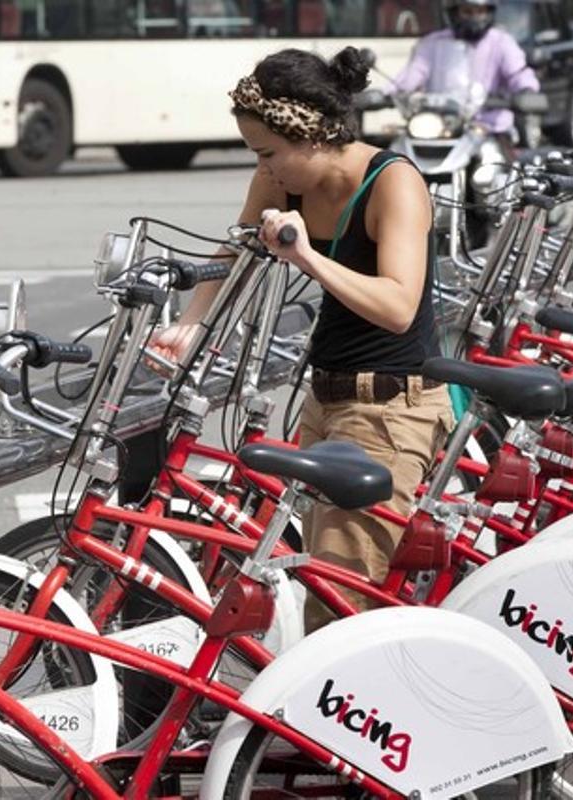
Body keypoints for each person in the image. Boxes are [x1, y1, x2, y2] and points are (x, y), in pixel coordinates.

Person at [148, 47, 454, 630]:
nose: (264, 169)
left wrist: (308, 258)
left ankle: (354, 716)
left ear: (311, 135)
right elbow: (238, 244)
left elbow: (397, 304)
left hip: (392, 408)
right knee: (314, 577)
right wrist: (191, 324)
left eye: (268, 152)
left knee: (342, 610)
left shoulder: (393, 183)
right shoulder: (281, 179)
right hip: (326, 398)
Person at [392, 0, 540, 139]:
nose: (474, 17)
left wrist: (527, 91)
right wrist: (385, 93)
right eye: (468, 11)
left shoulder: (502, 42)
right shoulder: (432, 43)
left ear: (489, 12)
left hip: (490, 130)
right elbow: (411, 75)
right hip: (443, 127)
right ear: (454, 12)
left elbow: (518, 74)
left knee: (494, 163)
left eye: (480, 11)